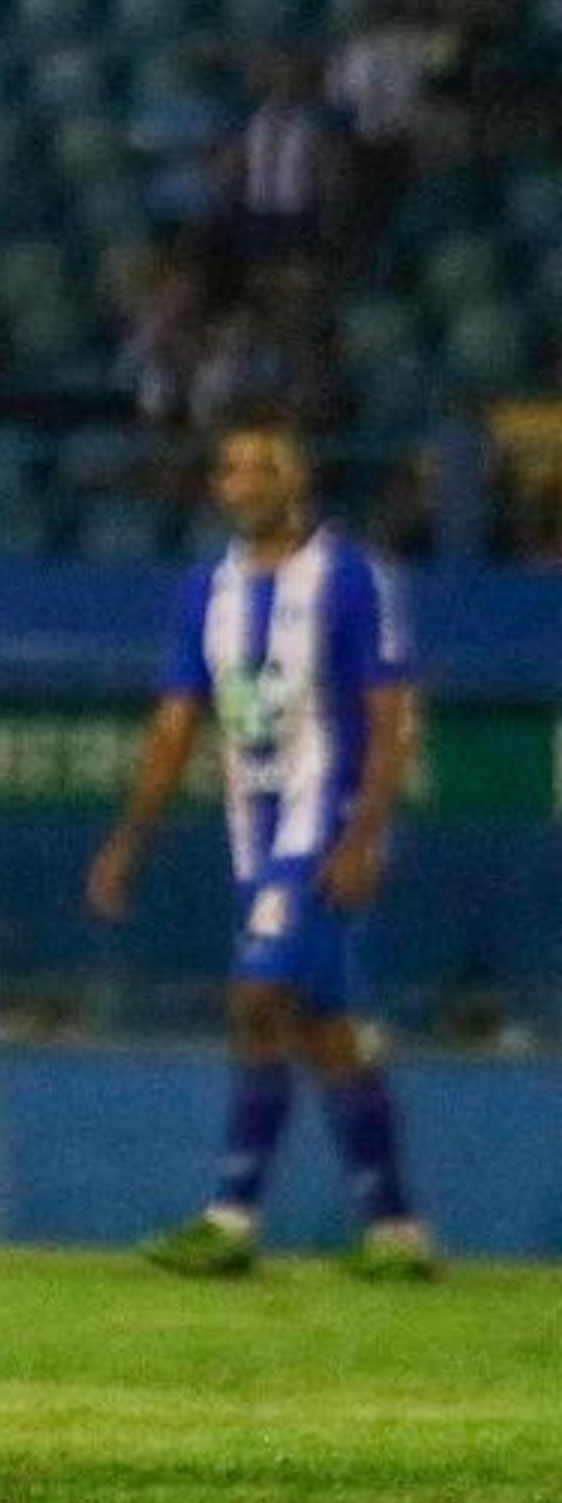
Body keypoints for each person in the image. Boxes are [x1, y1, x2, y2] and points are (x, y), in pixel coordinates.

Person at [90, 419, 434, 1280]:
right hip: (256, 827)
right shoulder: (207, 588)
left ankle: (231, 1214)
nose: (239, 480)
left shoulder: (351, 578)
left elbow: (391, 719)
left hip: (328, 813)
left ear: (296, 481)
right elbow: (176, 725)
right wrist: (130, 838)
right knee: (323, 1030)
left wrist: (364, 836)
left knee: (257, 993)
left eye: (259, 466)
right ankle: (395, 1230)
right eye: (229, 467)